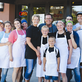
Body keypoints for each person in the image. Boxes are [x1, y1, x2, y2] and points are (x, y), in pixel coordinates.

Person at [25, 14, 41, 82]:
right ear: (32, 20)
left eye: (37, 19)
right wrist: (36, 50)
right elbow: (28, 42)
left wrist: (38, 50)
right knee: (29, 69)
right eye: (34, 19)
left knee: (31, 70)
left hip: (36, 51)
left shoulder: (38, 29)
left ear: (39, 20)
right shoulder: (29, 29)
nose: (36, 20)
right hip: (30, 52)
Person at [74, 12, 82, 82]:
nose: (80, 17)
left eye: (81, 16)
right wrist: (76, 29)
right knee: (79, 64)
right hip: (78, 48)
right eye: (78, 16)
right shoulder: (75, 26)